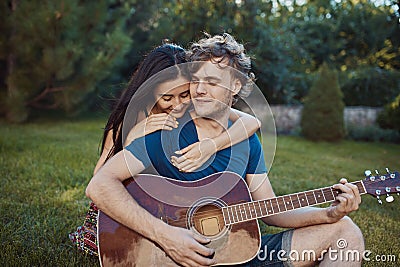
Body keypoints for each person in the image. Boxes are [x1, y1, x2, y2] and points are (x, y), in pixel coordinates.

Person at [86, 33, 364, 267]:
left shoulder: (247, 141)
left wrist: (329, 214)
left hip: (231, 256)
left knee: (345, 231)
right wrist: (167, 237)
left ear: (237, 85)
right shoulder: (166, 132)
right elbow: (99, 185)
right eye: (196, 80)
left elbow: (270, 211)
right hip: (170, 256)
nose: (200, 91)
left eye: (213, 82)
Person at [69, 43, 261, 256]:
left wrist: (212, 145)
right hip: (123, 207)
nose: (178, 105)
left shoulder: (193, 110)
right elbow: (99, 177)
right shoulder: (131, 118)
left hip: (165, 207)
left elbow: (251, 121)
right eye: (167, 98)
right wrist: (136, 134)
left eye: (184, 95)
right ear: (150, 93)